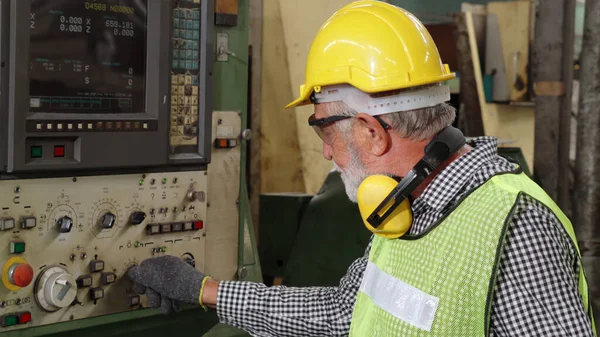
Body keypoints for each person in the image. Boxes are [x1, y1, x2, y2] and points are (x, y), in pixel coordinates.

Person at [128, 1, 596, 336]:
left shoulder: (516, 228)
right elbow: (342, 312)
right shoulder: (405, 205)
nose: (328, 154)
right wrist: (205, 290)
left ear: (372, 131)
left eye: (324, 132)